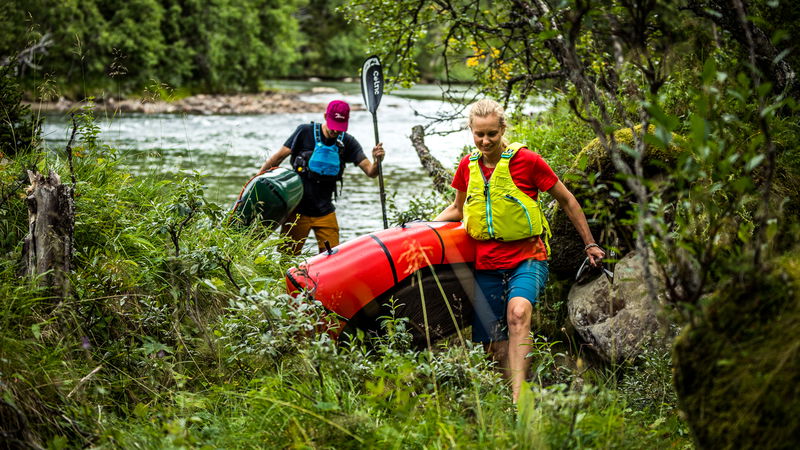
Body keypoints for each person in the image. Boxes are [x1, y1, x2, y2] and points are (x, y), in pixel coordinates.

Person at [434, 98, 605, 402]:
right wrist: (424, 226)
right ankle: (505, 399)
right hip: (486, 263)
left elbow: (567, 200)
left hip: (528, 257)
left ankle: (518, 402)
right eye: (479, 135)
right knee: (493, 348)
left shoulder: (528, 161)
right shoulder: (467, 166)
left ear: (503, 129)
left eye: (492, 134)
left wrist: (589, 243)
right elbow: (458, 210)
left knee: (518, 313)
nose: (485, 141)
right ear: (471, 133)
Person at [258, 100, 385, 255]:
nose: (336, 131)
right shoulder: (304, 132)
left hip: (325, 213)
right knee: (287, 259)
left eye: (340, 127)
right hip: (297, 211)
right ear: (325, 116)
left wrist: (378, 160)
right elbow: (277, 158)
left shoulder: (348, 142)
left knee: (333, 260)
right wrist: (257, 181)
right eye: (333, 126)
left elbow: (371, 172)